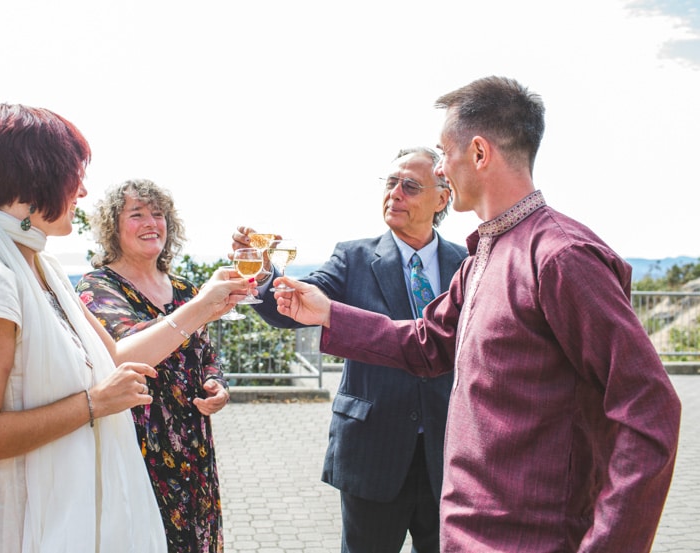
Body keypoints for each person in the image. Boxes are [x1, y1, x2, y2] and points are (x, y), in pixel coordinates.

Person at [270, 76, 682, 552]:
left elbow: (650, 410)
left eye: (445, 153)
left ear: (480, 154)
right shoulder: (483, 255)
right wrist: (329, 314)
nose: (442, 168)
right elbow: (426, 344)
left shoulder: (561, 257)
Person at [0, 104, 249, 553]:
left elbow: (117, 359)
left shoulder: (44, 269)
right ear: (37, 178)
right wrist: (94, 403)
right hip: (10, 523)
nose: (82, 191)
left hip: (59, 512)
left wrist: (204, 304)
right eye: (74, 175)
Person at [231, 147, 466, 552]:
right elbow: (298, 308)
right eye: (390, 183)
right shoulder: (353, 256)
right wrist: (265, 275)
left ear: (442, 198)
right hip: (373, 451)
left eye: (409, 186)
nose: (395, 194)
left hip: (446, 454)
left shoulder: (467, 262)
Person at [76, 179, 229, 553]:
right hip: (138, 445)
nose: (151, 222)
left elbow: (206, 355)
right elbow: (125, 352)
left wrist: (216, 385)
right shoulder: (98, 287)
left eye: (158, 214)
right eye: (137, 214)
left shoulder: (186, 290)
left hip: (193, 447)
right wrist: (199, 308)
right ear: (113, 227)